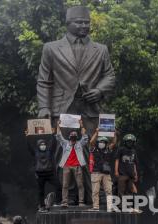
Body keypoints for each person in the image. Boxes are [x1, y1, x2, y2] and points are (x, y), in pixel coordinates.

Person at [36, 5, 116, 136]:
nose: (84, 25)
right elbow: (44, 81)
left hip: (92, 109)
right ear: (68, 23)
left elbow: (109, 75)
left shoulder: (101, 49)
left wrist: (100, 90)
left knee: (97, 148)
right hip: (63, 108)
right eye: (79, 22)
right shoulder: (51, 48)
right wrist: (44, 107)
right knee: (64, 149)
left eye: (87, 22)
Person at [56, 120, 89, 207]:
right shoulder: (65, 143)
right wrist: (58, 126)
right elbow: (59, 136)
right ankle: (64, 202)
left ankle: (81, 202)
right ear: (69, 137)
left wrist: (81, 125)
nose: (73, 137)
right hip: (66, 166)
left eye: (75, 136)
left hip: (77, 166)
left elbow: (85, 138)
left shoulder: (79, 144)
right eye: (72, 136)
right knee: (65, 185)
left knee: (80, 184)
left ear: (76, 137)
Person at [26, 130, 59, 211]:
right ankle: (42, 205)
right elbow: (29, 147)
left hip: (49, 173)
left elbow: (53, 144)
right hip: (40, 174)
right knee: (41, 191)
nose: (43, 145)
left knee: (59, 186)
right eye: (41, 144)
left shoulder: (49, 152)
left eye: (44, 144)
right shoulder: (35, 153)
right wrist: (27, 137)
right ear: (38, 145)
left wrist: (53, 134)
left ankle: (58, 202)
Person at [89, 129, 116, 211]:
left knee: (109, 190)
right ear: (98, 143)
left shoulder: (107, 149)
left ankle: (110, 207)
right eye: (101, 142)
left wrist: (114, 134)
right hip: (96, 172)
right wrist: (96, 132)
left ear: (106, 143)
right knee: (95, 191)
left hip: (106, 173)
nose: (102, 143)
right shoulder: (94, 149)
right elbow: (91, 142)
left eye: (104, 142)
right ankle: (95, 207)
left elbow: (114, 143)